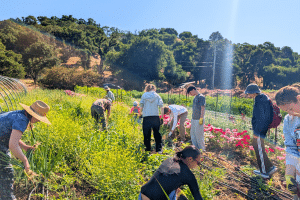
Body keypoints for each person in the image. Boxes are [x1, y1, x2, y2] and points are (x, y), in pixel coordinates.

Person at [0, 100, 51, 200]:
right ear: (34, 115)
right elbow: (13, 145)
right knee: (7, 172)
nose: (40, 120)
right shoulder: (22, 120)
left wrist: (24, 147)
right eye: (39, 118)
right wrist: (25, 161)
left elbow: (10, 135)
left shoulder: (18, 114)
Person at [139, 145, 203, 200]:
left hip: (143, 194)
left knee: (177, 191)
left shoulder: (170, 160)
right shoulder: (188, 174)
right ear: (190, 159)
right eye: (198, 162)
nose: (198, 165)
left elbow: (166, 179)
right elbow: (197, 197)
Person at [244, 83, 277, 179]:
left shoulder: (260, 100)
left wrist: (257, 132)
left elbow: (261, 118)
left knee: (259, 149)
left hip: (259, 130)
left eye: (248, 93)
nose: (248, 95)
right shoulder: (263, 98)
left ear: (253, 92)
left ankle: (264, 172)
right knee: (259, 147)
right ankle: (270, 167)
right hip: (262, 129)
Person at [275, 84, 300, 199]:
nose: (289, 113)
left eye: (290, 108)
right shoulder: (289, 120)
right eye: (286, 111)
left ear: (298, 99)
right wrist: (289, 174)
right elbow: (291, 147)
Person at [140, 84, 164, 153]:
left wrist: (140, 113)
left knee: (146, 134)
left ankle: (147, 150)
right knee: (157, 134)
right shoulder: (157, 95)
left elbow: (141, 105)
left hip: (146, 117)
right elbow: (161, 106)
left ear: (147, 88)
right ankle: (159, 149)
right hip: (155, 117)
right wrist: (162, 116)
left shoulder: (144, 95)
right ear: (154, 88)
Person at [186, 86, 206, 151]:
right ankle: (195, 149)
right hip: (194, 119)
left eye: (190, 92)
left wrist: (201, 118)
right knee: (193, 134)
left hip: (198, 119)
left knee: (199, 135)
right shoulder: (195, 97)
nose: (190, 94)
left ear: (193, 89)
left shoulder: (201, 97)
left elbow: (202, 108)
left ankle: (202, 150)